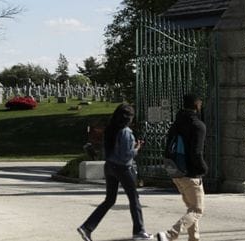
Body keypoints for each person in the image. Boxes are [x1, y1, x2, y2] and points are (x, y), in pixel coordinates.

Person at [77, 104, 153, 241]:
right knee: (134, 199)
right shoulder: (126, 132)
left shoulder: (110, 130)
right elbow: (126, 156)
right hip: (123, 168)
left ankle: (87, 227)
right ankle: (139, 231)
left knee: (110, 200)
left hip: (109, 166)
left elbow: (108, 151)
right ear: (129, 118)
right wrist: (137, 148)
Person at [157, 94, 208, 241]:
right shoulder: (198, 126)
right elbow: (196, 153)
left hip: (176, 171)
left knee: (191, 208)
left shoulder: (177, 123)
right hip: (191, 174)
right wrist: (203, 169)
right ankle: (169, 234)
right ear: (197, 105)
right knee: (197, 210)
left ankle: (194, 238)